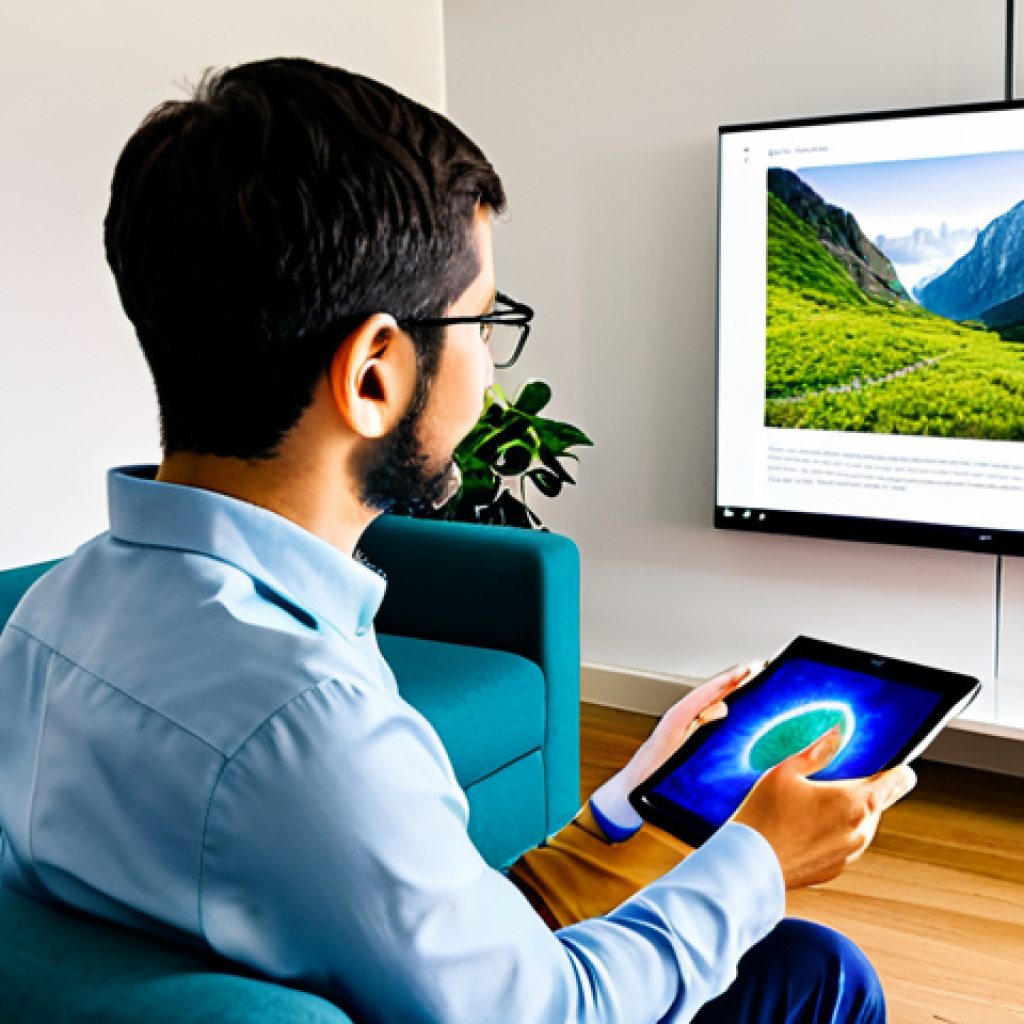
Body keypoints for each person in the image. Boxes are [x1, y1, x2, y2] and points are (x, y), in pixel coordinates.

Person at [0, 58, 916, 1024]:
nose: (487, 364)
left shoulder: (49, 617)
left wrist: (629, 800)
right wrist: (760, 862)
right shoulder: (312, 729)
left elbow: (424, 931)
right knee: (819, 974)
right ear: (374, 374)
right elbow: (545, 1010)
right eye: (484, 322)